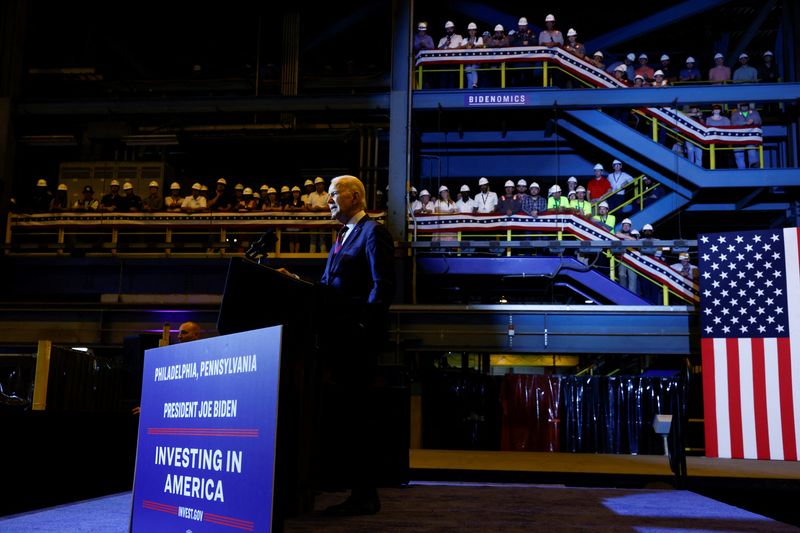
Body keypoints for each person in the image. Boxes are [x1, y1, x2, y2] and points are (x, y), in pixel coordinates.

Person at [316, 175, 395, 516]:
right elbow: (327, 286)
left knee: (360, 417)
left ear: (354, 197)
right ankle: (352, 489)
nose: (327, 201)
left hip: (357, 342)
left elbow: (383, 286)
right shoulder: (341, 235)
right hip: (336, 339)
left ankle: (366, 494)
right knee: (346, 417)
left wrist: (364, 327)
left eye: (333, 195)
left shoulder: (373, 232)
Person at [730, 102, 762, 169]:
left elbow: (759, 121)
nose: (744, 107)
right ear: (739, 106)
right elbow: (733, 123)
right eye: (742, 105)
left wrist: (753, 121)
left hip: (750, 137)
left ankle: (754, 168)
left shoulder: (754, 112)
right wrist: (746, 123)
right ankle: (741, 170)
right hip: (738, 138)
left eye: (745, 105)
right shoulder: (735, 113)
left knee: (752, 152)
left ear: (748, 105)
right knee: (738, 154)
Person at [460, 22, 484, 88]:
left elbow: (481, 45)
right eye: (470, 30)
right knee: (468, 71)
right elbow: (461, 47)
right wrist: (468, 43)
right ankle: (470, 89)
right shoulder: (465, 39)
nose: (472, 31)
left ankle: (475, 84)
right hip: (467, 60)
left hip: (477, 60)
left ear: (476, 31)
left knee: (473, 68)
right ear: (468, 31)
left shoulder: (479, 38)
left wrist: (473, 45)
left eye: (473, 30)